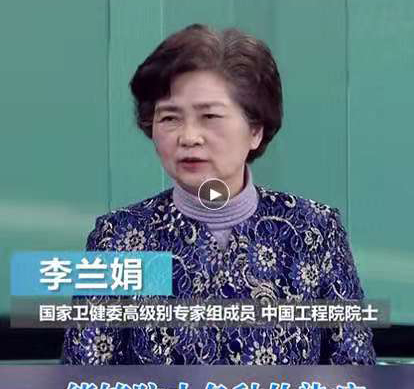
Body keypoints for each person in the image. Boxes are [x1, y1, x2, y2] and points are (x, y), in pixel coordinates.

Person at [63, 23, 376, 365]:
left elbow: (355, 375)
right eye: (169, 118)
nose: (189, 137)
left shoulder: (314, 230)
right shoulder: (118, 238)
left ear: (255, 130)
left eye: (210, 116)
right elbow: (84, 381)